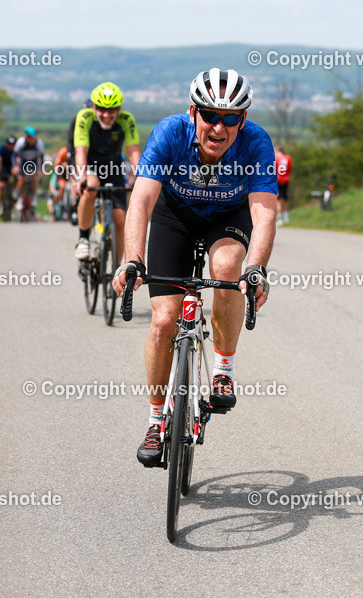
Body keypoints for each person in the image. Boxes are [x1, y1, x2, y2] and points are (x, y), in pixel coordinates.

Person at [111, 68, 277, 467]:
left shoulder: (255, 143)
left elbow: (264, 214)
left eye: (231, 118)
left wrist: (255, 269)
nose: (219, 128)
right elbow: (142, 201)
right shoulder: (169, 133)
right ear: (193, 113)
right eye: (210, 116)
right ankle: (155, 419)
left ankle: (223, 367)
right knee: (164, 320)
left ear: (244, 119)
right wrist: (132, 258)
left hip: (228, 216)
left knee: (227, 266)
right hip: (175, 218)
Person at [71, 82, 141, 265]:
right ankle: (83, 238)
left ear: (119, 109)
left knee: (120, 219)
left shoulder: (126, 119)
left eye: (112, 110)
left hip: (113, 165)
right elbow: (80, 151)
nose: (107, 115)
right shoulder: (85, 117)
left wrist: (141, 176)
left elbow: (134, 151)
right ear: (94, 106)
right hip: (90, 163)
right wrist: (82, 177)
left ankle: (117, 268)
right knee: (91, 186)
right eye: (102, 109)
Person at [12, 126, 44, 217]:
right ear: (25, 137)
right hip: (23, 162)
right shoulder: (21, 142)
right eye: (30, 138)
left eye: (34, 137)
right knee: (21, 180)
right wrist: (15, 166)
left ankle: (34, 197)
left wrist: (41, 169)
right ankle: (19, 198)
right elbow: (14, 155)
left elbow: (41, 156)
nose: (32, 140)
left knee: (34, 177)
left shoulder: (39, 143)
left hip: (32, 163)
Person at [0, 135, 16, 217]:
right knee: (1, 186)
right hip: (5, 169)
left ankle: (14, 206)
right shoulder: (2, 149)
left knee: (16, 182)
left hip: (14, 168)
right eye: (9, 144)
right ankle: (1, 205)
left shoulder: (16, 150)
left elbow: (19, 161)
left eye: (13, 144)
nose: (11, 145)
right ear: (6, 143)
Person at [275, 147, 292, 224]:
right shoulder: (288, 158)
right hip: (286, 181)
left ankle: (280, 219)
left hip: (278, 181)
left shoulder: (276, 158)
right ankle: (287, 219)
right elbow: (289, 169)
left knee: (278, 201)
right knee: (286, 199)